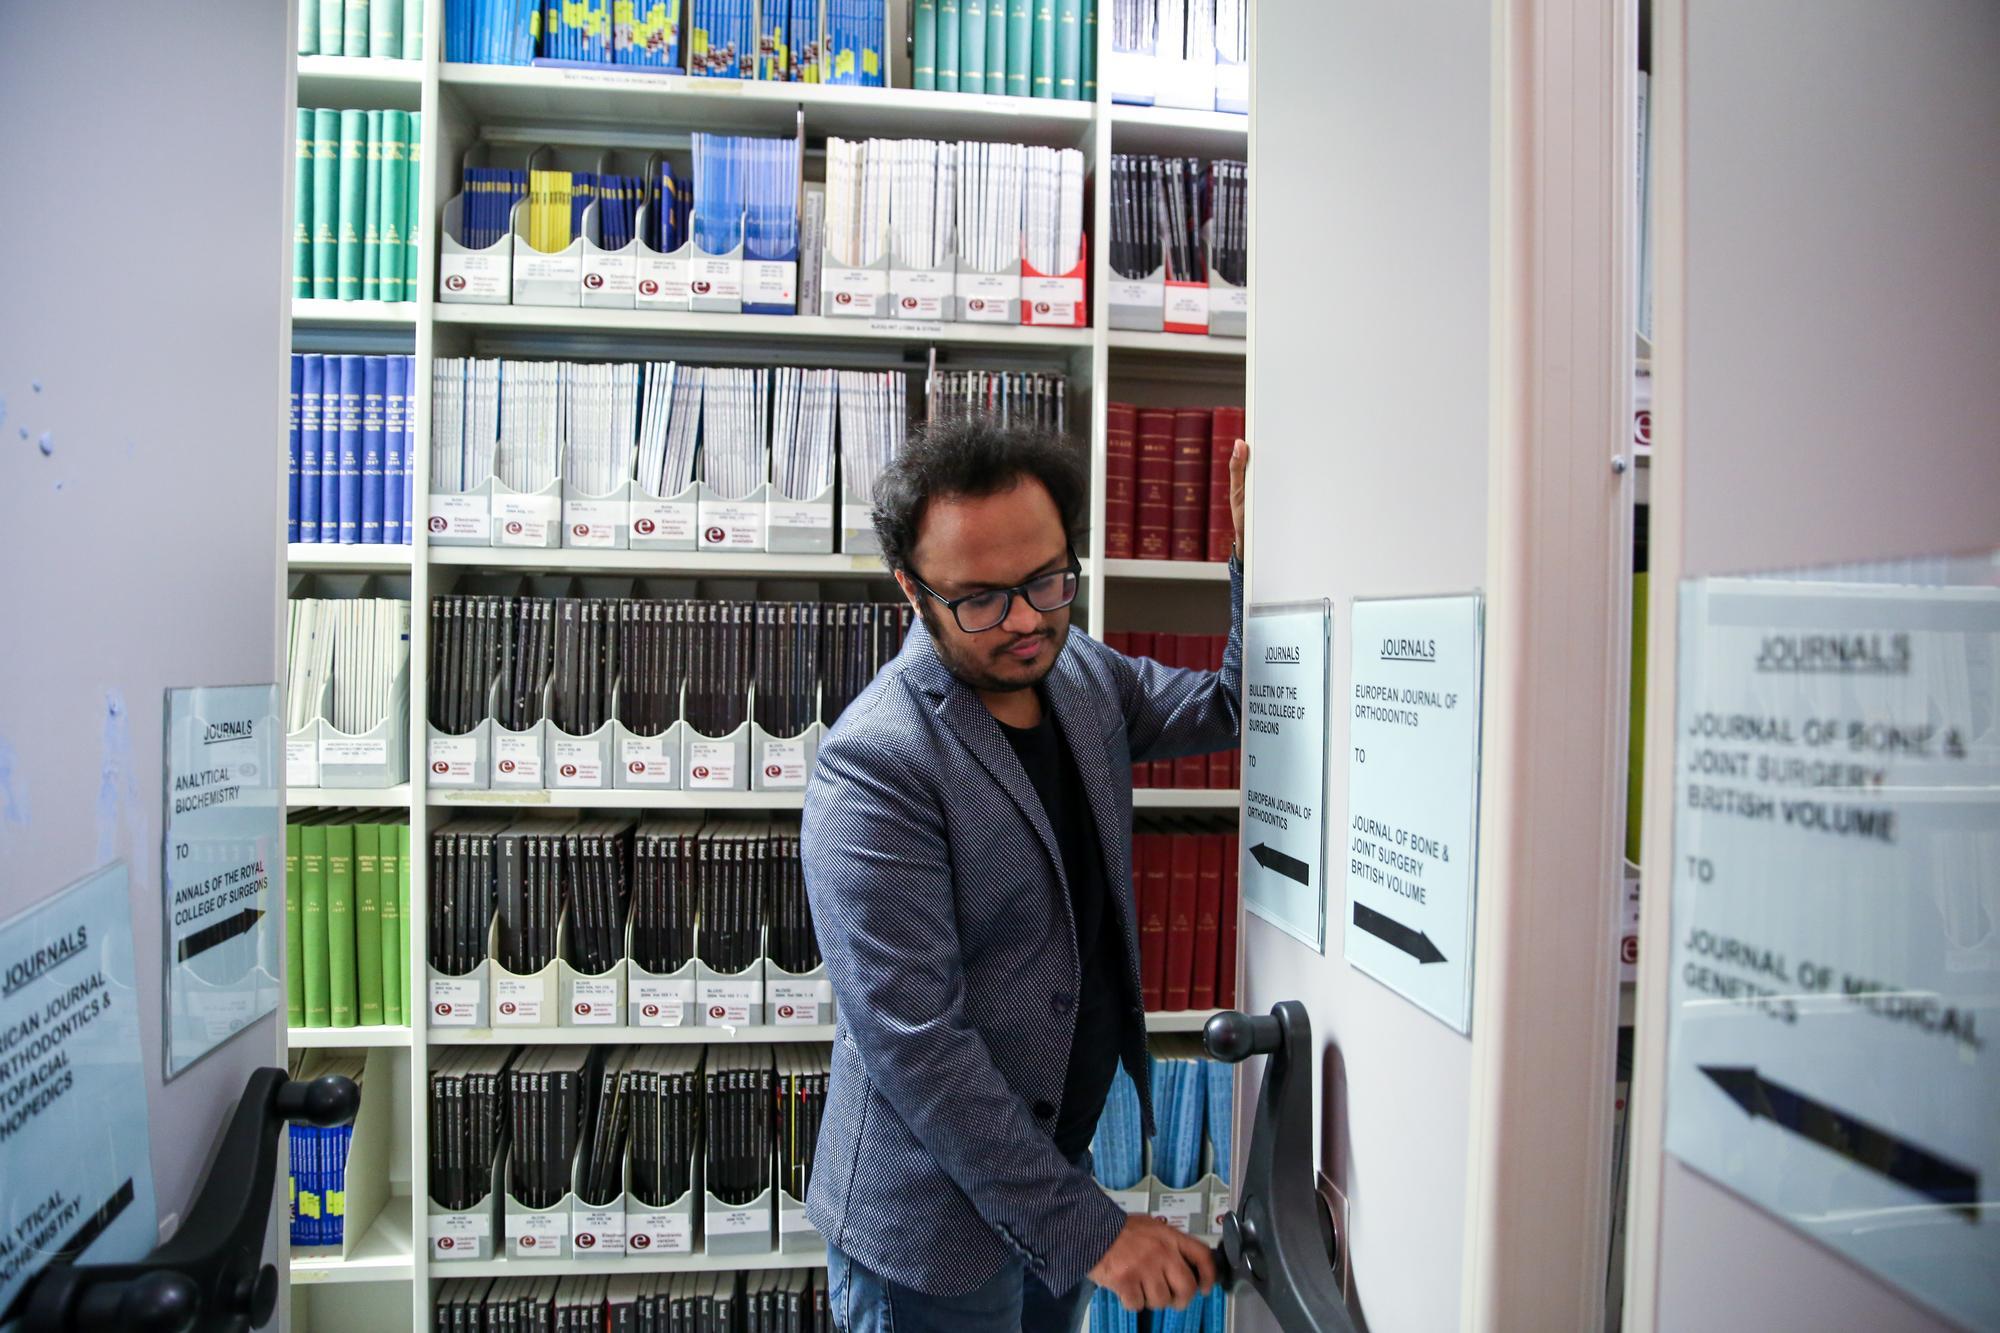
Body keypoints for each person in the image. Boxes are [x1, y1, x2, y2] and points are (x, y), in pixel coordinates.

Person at [801, 415, 1249, 1333]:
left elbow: (1230, 705)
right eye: (980, 598)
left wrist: (1259, 554)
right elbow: (918, 1044)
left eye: (1048, 580)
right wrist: (1093, 1231)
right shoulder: (874, 765)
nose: (1024, 620)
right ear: (910, 591)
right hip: (929, 1227)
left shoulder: (1078, 671)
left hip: (1055, 1167)